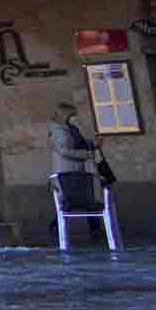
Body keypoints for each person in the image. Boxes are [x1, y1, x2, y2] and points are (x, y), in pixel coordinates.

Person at [49, 101, 105, 241]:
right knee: (71, 201)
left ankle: (95, 229)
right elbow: (64, 150)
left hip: (78, 170)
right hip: (67, 171)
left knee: (85, 199)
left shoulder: (71, 128)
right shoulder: (58, 130)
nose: (74, 117)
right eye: (72, 115)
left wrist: (93, 144)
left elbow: (80, 143)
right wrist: (87, 154)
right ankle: (57, 226)